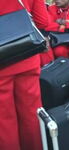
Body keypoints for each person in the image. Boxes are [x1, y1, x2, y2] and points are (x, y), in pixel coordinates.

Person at [0, 0, 48, 149]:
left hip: (2, 64)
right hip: (28, 55)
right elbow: (42, 21)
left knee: (4, 122)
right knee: (32, 116)